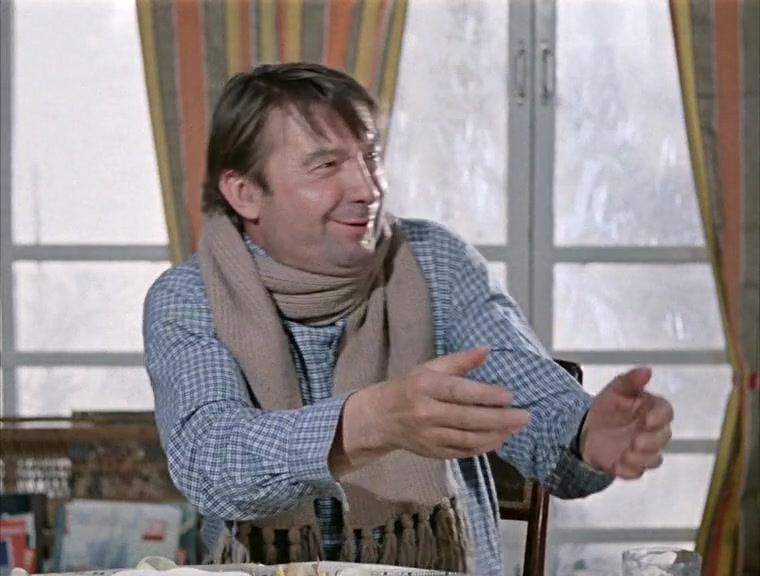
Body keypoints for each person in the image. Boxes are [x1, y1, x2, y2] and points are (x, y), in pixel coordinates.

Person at [143, 62, 674, 575]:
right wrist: (374, 420)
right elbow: (212, 461)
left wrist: (588, 433)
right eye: (326, 166)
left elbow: (528, 401)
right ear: (245, 193)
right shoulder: (188, 297)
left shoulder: (434, 262)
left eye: (370, 157)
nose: (368, 189)